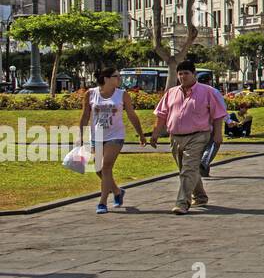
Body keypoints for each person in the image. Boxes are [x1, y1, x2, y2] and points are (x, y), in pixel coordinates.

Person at [150, 60, 227, 215]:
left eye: (186, 73)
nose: (183, 76)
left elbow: (218, 114)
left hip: (198, 135)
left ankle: (182, 203)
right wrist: (155, 133)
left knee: (189, 168)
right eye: (180, 73)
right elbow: (161, 114)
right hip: (176, 137)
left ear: (194, 75)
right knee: (185, 169)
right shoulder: (171, 93)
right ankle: (200, 195)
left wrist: (218, 134)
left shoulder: (207, 92)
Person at [79, 67, 147, 214]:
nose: (119, 79)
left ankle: (102, 202)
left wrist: (141, 134)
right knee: (98, 170)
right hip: (96, 136)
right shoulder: (91, 94)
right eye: (116, 76)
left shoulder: (122, 95)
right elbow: (85, 115)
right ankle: (117, 191)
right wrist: (81, 135)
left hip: (115, 136)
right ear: (106, 78)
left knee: (106, 167)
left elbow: (131, 115)